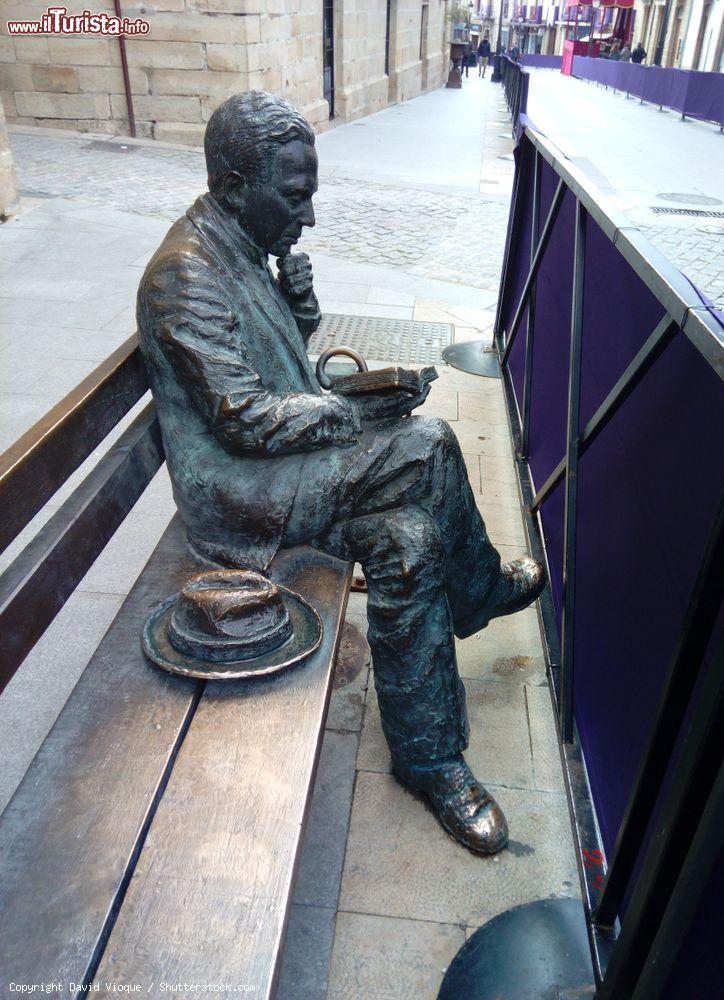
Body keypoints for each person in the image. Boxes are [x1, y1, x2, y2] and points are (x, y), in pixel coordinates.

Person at [137, 91, 546, 857]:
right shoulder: (184, 275)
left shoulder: (237, 245)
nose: (310, 216)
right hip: (243, 498)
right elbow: (246, 419)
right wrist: (349, 415)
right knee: (424, 444)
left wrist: (297, 313)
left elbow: (265, 366)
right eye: (294, 197)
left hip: (284, 471)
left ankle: (429, 761)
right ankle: (481, 589)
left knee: (411, 540)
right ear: (233, 188)